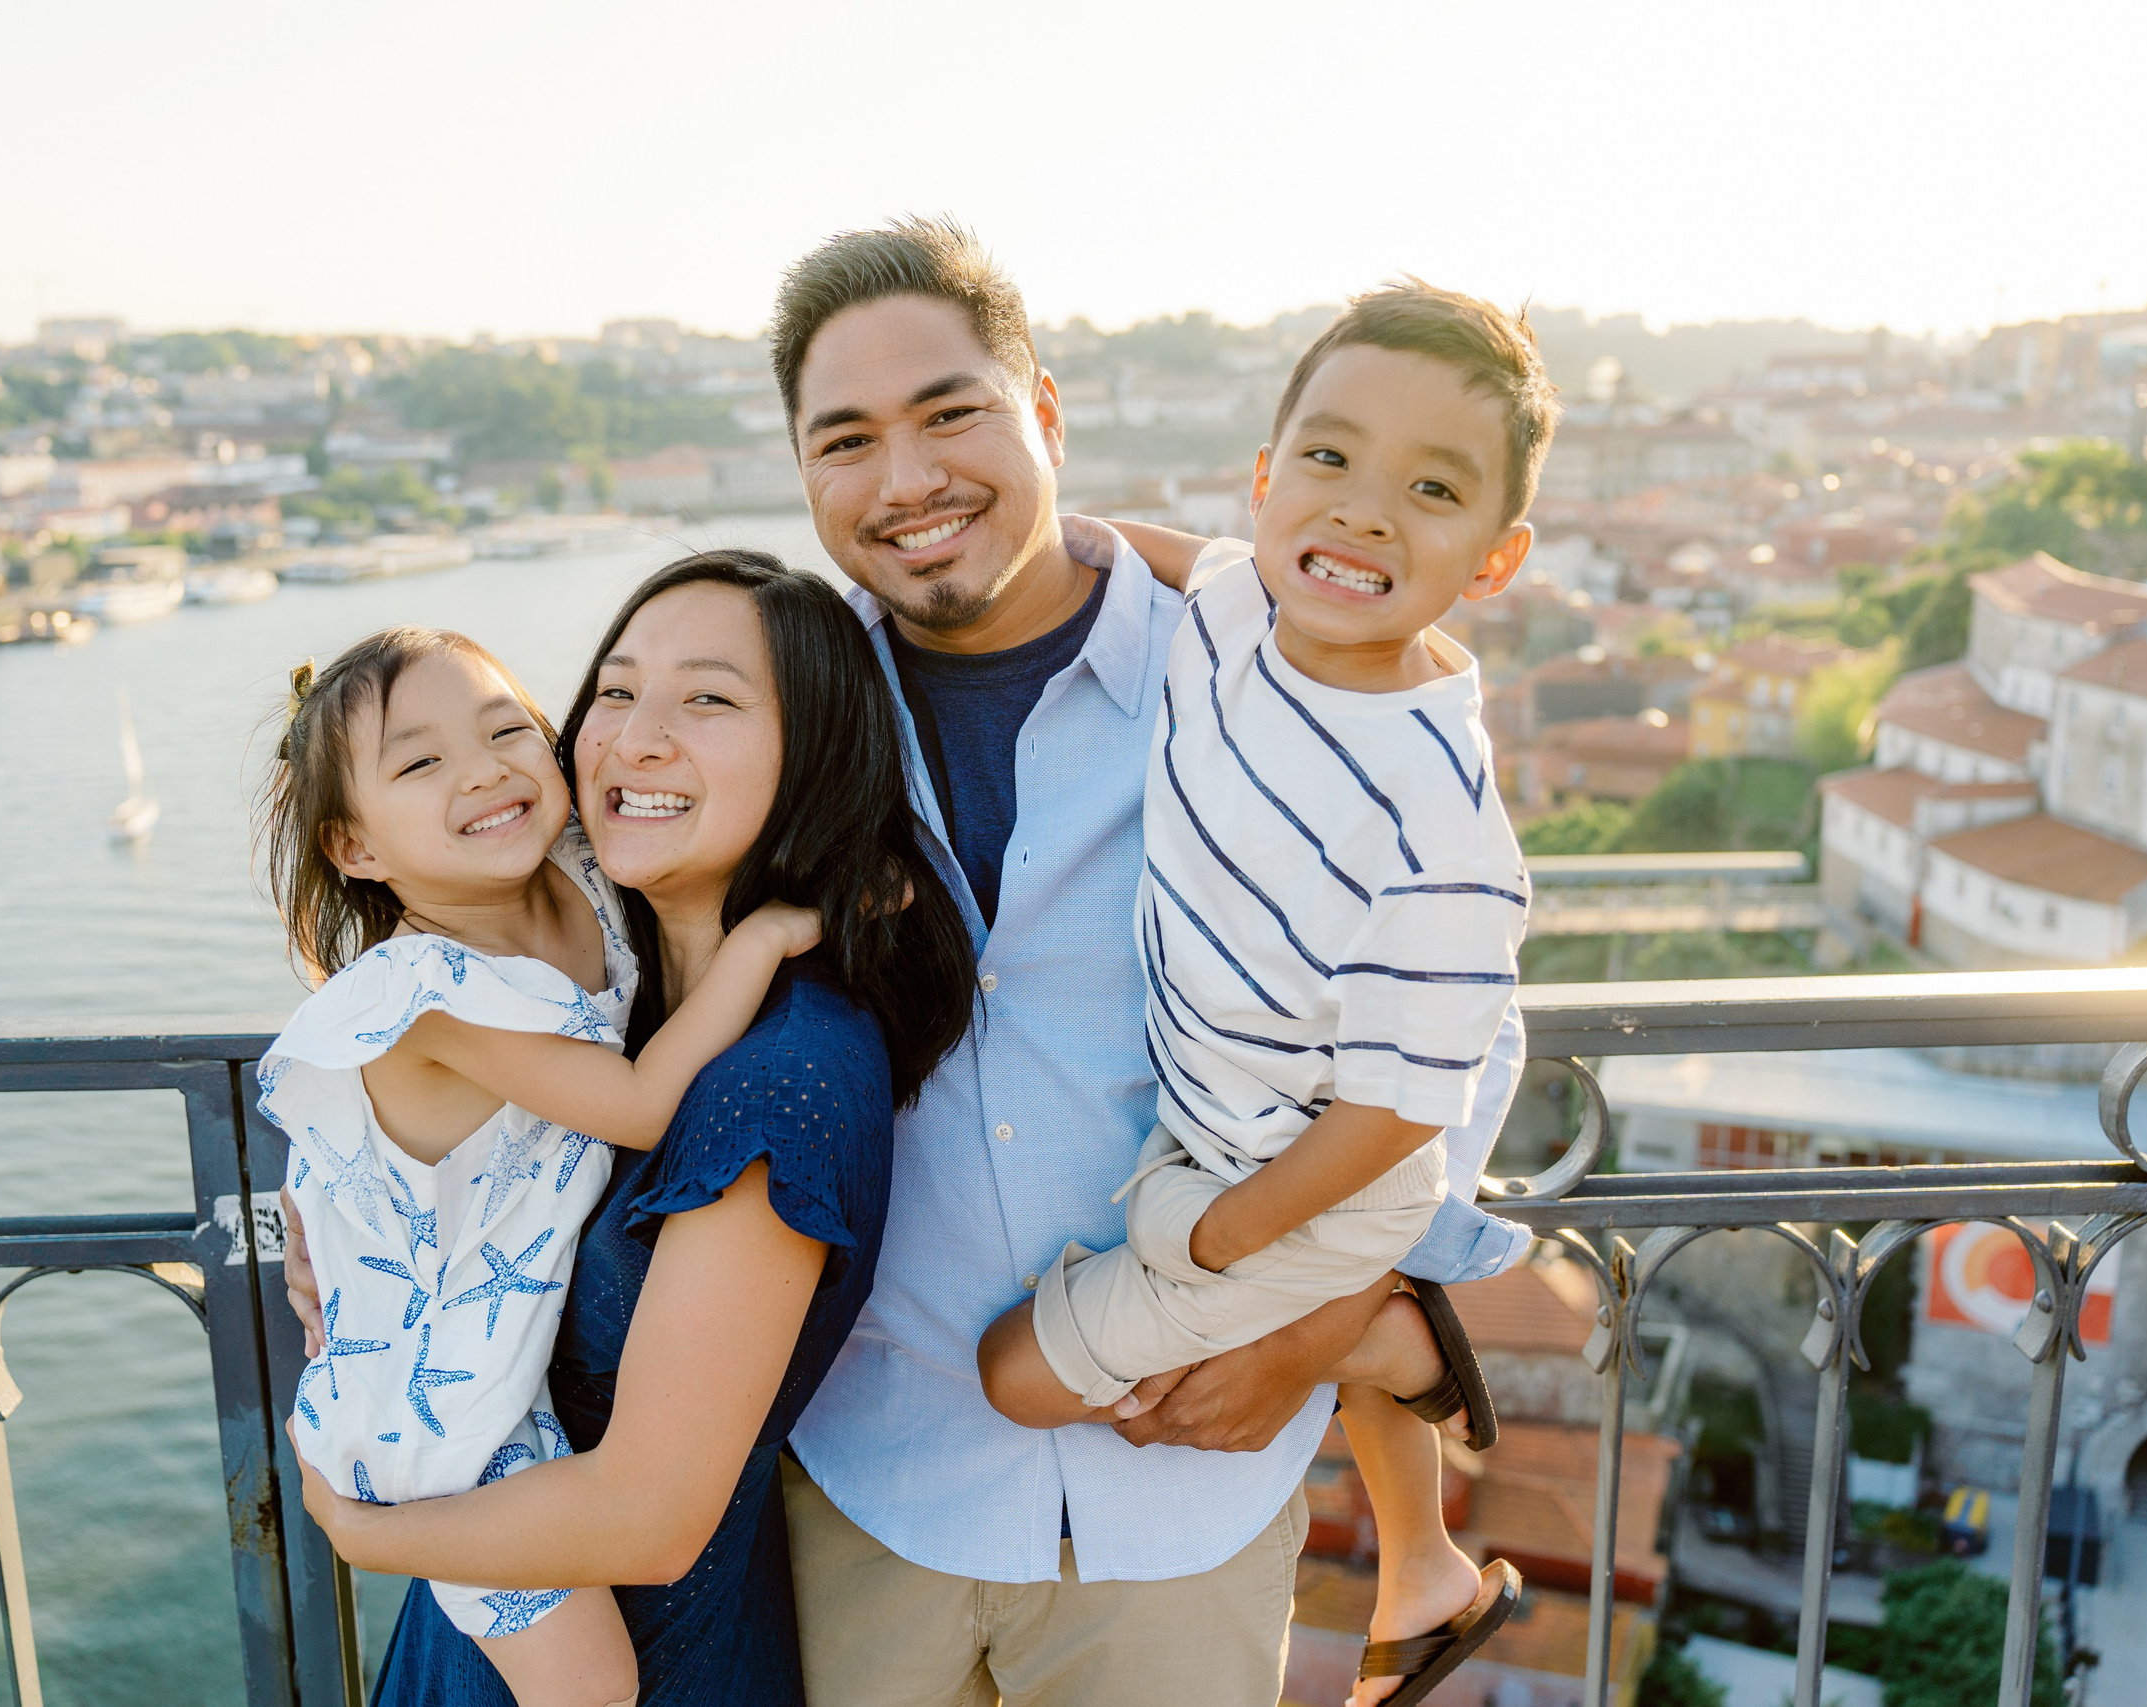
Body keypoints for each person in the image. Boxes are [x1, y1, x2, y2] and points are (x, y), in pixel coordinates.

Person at [767, 218, 1540, 1707]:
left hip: (1188, 1492)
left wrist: (1324, 1329)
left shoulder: (1274, 663)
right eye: (846, 439)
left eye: (950, 414)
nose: (907, 478)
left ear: (1044, 413)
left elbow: (1465, 1036)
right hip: (871, 1478)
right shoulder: (777, 713)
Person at [973, 282, 1560, 1706]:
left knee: (1013, 1374)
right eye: (1330, 459)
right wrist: (1067, 541)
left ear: (1494, 559)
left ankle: (1375, 1327)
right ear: (1265, 480)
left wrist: (1238, 1242)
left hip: (1307, 1175)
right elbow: (1176, 561)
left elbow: (1389, 1113)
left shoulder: (1439, 818)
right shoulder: (1241, 608)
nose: (1363, 511)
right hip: (1225, 1124)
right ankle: (1421, 1569)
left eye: (1431, 487)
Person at [283, 554, 978, 1706]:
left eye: (706, 698)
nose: (634, 740)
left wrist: (362, 1538)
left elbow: (649, 1519)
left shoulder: (775, 1081)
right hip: (488, 1562)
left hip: (632, 1636)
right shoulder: (619, 966)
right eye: (613, 693)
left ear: (813, 751)